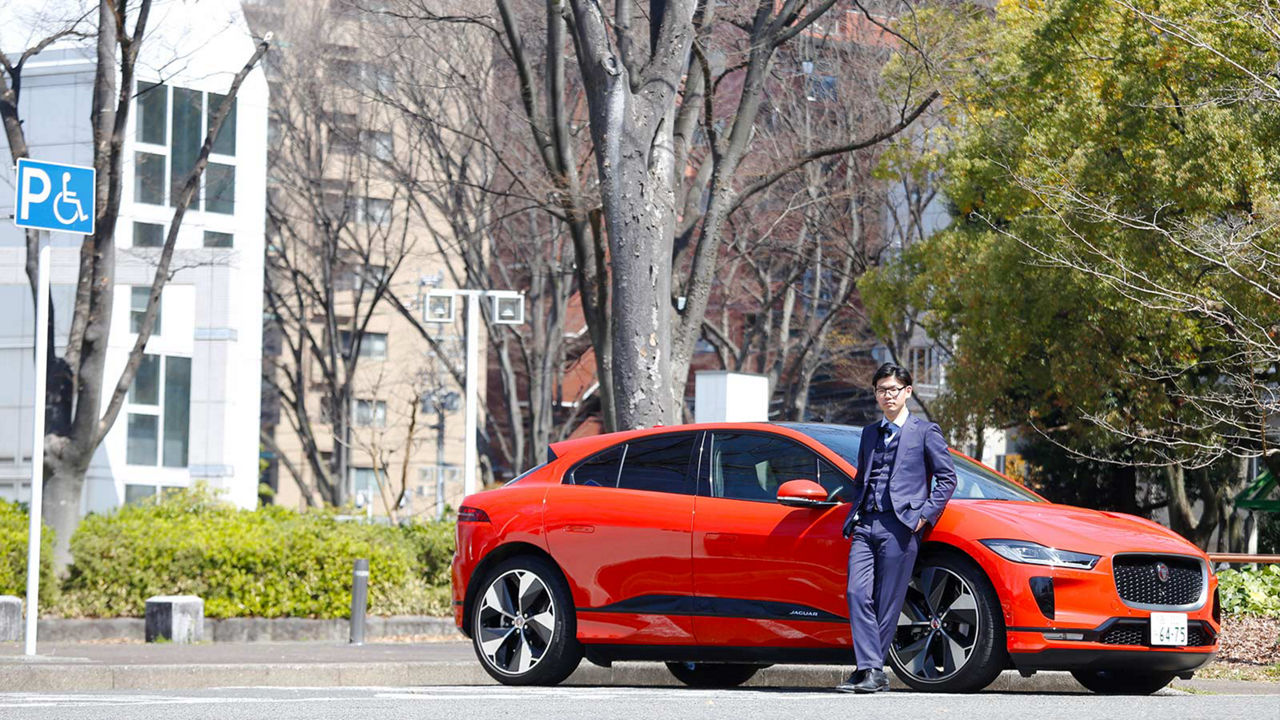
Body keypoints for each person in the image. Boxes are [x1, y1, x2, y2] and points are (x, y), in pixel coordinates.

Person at [836, 362, 957, 694]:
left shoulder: (924, 431)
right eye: (880, 390)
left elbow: (947, 478)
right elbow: (862, 479)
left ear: (907, 392)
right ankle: (871, 668)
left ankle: (869, 671)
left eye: (892, 389)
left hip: (901, 525)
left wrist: (924, 515)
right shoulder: (869, 433)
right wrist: (855, 510)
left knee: (887, 600)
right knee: (856, 593)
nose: (886, 395)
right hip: (866, 523)